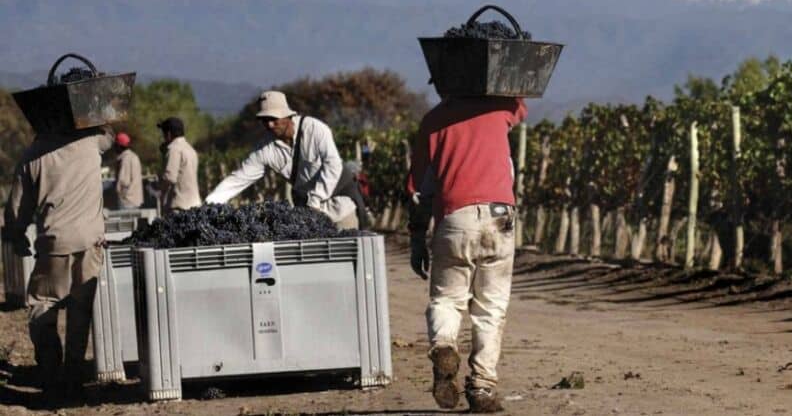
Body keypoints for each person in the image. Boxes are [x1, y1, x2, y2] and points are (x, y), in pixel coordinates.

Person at [407, 96, 527, 413]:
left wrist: (417, 237)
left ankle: (444, 345)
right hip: (500, 216)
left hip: (454, 216)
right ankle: (483, 389)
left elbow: (418, 188)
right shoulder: (500, 109)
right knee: (491, 306)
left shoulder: (434, 120)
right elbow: (521, 102)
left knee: (447, 298)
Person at [4, 126, 114, 398]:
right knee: (80, 311)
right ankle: (74, 376)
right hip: (91, 243)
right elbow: (110, 137)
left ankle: (51, 373)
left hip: (54, 243)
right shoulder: (92, 142)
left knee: (42, 305)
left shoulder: (33, 155)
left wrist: (18, 237)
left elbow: (17, 209)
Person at [206, 90, 367, 229]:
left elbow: (333, 165)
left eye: (273, 118)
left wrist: (315, 200)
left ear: (287, 115)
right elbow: (239, 178)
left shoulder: (315, 129)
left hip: (340, 206)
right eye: (264, 120)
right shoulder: (265, 149)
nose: (269, 125)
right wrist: (210, 203)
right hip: (310, 215)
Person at [157, 117, 201, 212]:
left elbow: (170, 177)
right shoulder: (190, 149)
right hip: (194, 204)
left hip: (179, 205)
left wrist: (157, 189)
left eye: (163, 133)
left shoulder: (173, 149)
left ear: (168, 134)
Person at [113, 132, 143, 209]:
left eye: (115, 145)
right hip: (136, 199)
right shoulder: (134, 156)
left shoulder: (125, 159)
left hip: (127, 201)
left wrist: (118, 191)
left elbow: (123, 181)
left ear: (119, 146)